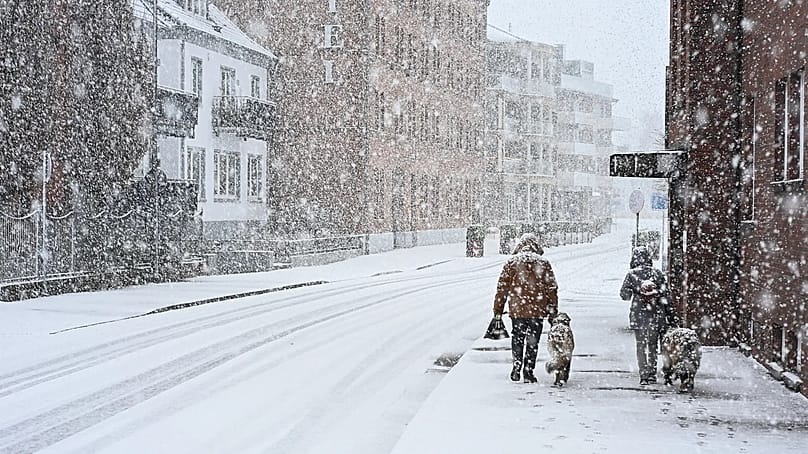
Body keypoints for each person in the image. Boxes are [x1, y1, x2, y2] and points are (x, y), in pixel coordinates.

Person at [493, 233, 559, 383]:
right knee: (532, 341)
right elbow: (552, 288)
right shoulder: (543, 263)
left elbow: (502, 288)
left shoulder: (511, 263)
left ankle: (517, 364)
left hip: (517, 310)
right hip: (537, 310)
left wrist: (498, 310)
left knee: (517, 337)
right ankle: (528, 371)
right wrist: (552, 310)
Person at [619, 246, 676, 385]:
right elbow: (666, 296)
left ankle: (643, 374)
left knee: (640, 345)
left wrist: (636, 290)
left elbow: (624, 295)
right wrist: (670, 316)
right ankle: (652, 373)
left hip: (638, 315)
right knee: (653, 345)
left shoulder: (631, 274)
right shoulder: (657, 273)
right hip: (656, 314)